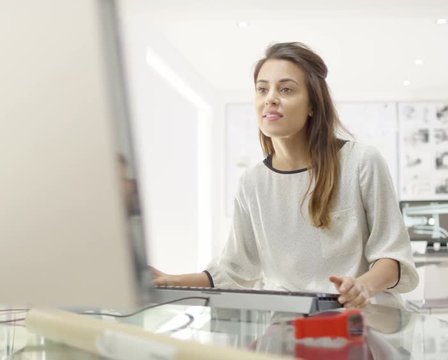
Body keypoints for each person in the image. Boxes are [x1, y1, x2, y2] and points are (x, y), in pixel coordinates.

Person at [152, 42, 418, 308]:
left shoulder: (361, 161)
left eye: (286, 89)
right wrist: (170, 280)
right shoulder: (252, 183)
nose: (270, 98)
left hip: (363, 322)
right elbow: (234, 270)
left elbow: (392, 257)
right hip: (292, 324)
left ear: (313, 104)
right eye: (262, 89)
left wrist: (363, 286)